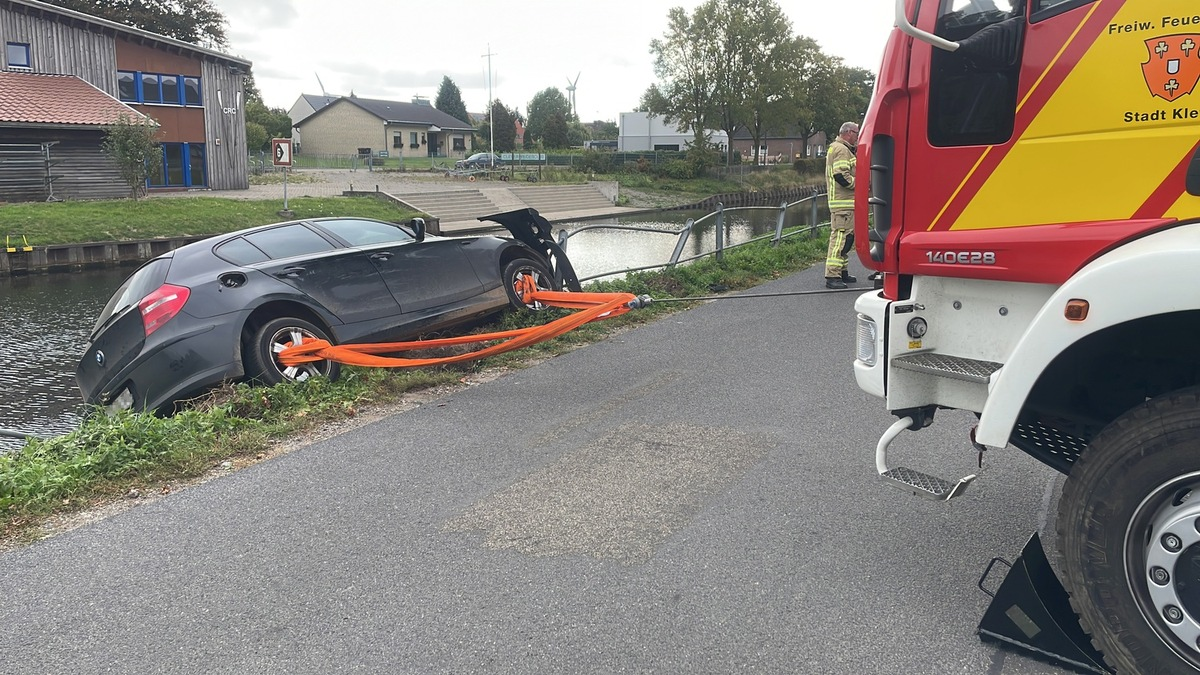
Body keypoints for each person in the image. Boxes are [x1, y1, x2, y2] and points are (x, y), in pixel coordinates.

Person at [824, 121, 859, 289]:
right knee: (839, 238)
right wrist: (860, 184)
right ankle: (832, 275)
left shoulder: (841, 149)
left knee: (847, 238)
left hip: (846, 204)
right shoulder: (841, 150)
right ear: (849, 132)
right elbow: (841, 176)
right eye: (857, 134)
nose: (858, 137)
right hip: (842, 205)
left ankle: (842, 272)